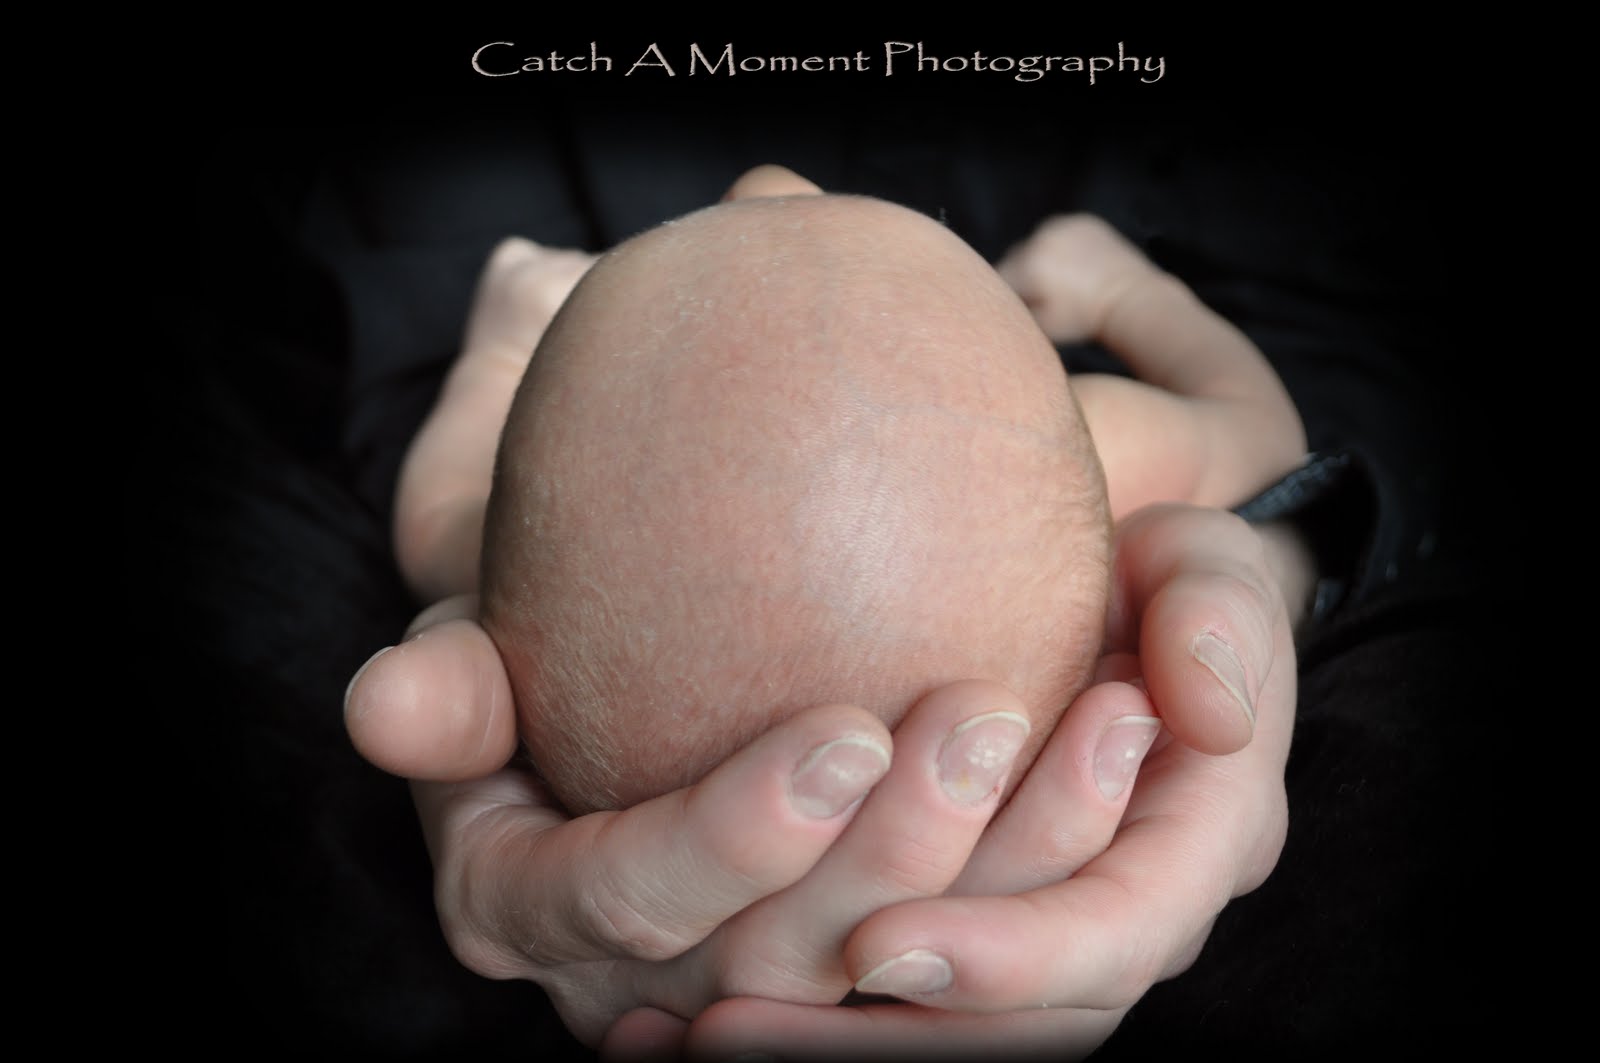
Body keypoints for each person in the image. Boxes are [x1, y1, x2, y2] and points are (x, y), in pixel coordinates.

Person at [345, 166, 1308, 1055]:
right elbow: (1266, 430)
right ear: (1100, 610)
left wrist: (498, 349)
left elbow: (435, 506)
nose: (765, 184)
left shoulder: (498, 538)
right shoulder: (1107, 454)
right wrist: (1126, 292)